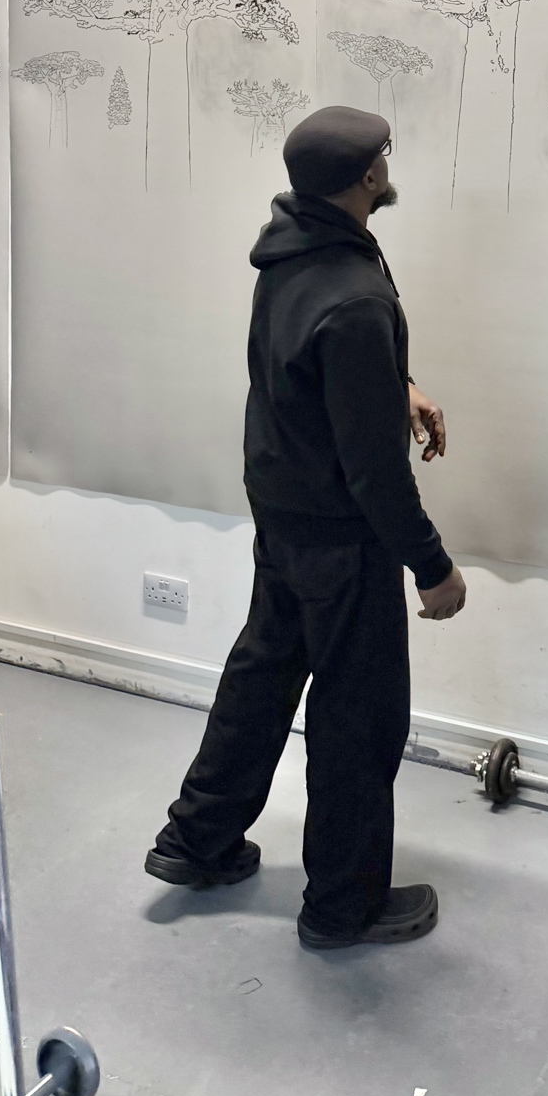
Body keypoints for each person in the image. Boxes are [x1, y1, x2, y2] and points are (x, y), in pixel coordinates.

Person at [146, 105, 467, 949]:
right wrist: (432, 566)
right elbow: (375, 475)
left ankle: (197, 839)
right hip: (341, 532)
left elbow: (304, 365)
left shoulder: (290, 252)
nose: (388, 167)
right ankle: (342, 906)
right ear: (367, 177)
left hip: (281, 505)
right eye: (383, 157)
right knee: (358, 715)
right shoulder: (355, 294)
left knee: (262, 677)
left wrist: (394, 386)